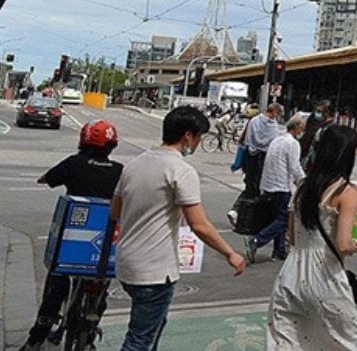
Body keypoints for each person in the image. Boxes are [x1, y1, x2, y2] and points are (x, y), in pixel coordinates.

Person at [112, 107, 246, 351]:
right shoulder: (181, 170)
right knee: (139, 341)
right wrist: (230, 253)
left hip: (126, 263)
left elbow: (115, 212)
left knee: (150, 331)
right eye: (199, 137)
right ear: (188, 135)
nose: (197, 143)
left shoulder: (134, 165)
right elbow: (200, 225)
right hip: (154, 270)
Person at [21, 120, 124, 351]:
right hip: (103, 247)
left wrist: (46, 178)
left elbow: (47, 179)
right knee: (101, 285)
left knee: (55, 287)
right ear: (112, 145)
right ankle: (90, 330)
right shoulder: (120, 170)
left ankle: (36, 339)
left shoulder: (74, 164)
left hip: (72, 245)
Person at [265, 125, 357, 348]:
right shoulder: (347, 192)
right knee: (346, 341)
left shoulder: (302, 188)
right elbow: (343, 244)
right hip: (325, 276)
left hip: (291, 275)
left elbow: (291, 237)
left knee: (290, 341)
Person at [245, 114, 306, 263]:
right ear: (297, 128)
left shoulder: (277, 140)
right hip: (281, 185)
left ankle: (279, 250)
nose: (303, 130)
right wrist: (303, 182)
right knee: (284, 219)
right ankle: (257, 241)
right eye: (302, 128)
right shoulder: (293, 144)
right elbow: (294, 166)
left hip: (268, 185)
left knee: (276, 217)